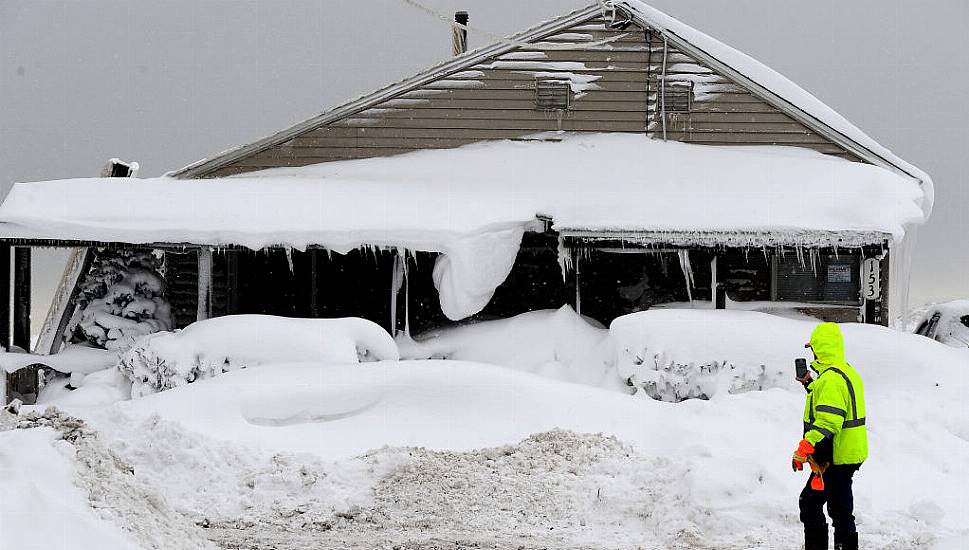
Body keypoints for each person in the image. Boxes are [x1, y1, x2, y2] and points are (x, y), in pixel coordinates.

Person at [792, 322, 867, 550]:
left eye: (813, 348)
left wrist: (805, 447)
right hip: (847, 453)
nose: (812, 353)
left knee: (811, 504)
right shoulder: (845, 371)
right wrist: (809, 385)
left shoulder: (831, 379)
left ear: (820, 350)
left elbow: (828, 421)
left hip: (834, 454)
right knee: (840, 508)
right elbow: (832, 406)